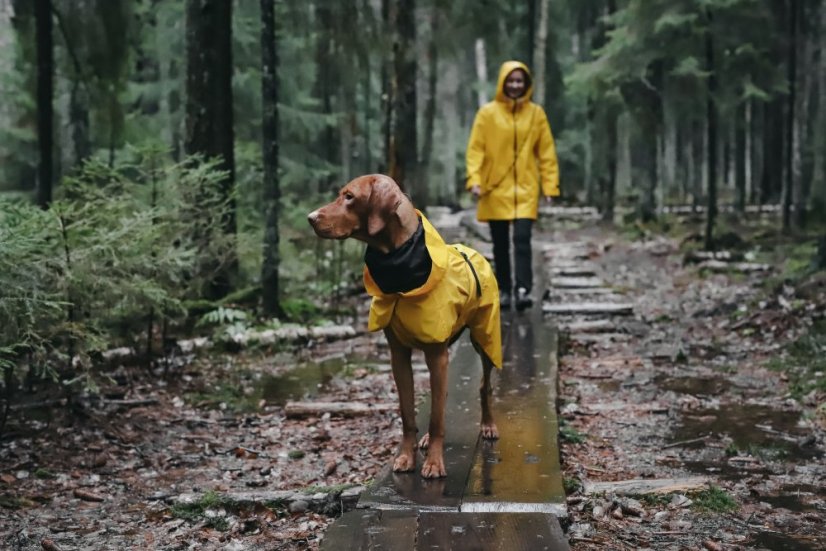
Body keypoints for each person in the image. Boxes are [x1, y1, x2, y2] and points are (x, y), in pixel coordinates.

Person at [466, 60, 560, 311]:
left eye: (520, 81)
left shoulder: (536, 114)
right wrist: (473, 179)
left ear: (526, 84)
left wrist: (550, 186)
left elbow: (546, 152)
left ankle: (523, 289)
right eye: (511, 80)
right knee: (499, 243)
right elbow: (476, 149)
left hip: (527, 189)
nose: (515, 85)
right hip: (496, 189)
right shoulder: (487, 113)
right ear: (503, 83)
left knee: (522, 239)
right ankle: (505, 289)